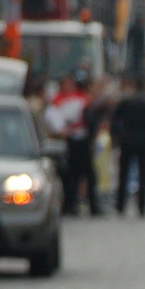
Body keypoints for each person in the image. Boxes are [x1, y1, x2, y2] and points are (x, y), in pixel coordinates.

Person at [45, 74, 100, 216]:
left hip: (82, 140)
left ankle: (93, 206)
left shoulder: (81, 99)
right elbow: (56, 122)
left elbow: (89, 118)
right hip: (68, 143)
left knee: (89, 174)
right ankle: (70, 205)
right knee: (70, 176)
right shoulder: (56, 102)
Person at [111, 77, 145, 217]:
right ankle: (142, 206)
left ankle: (120, 205)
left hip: (127, 140)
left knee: (123, 175)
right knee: (143, 176)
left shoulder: (126, 102)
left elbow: (114, 119)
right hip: (143, 141)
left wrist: (118, 136)